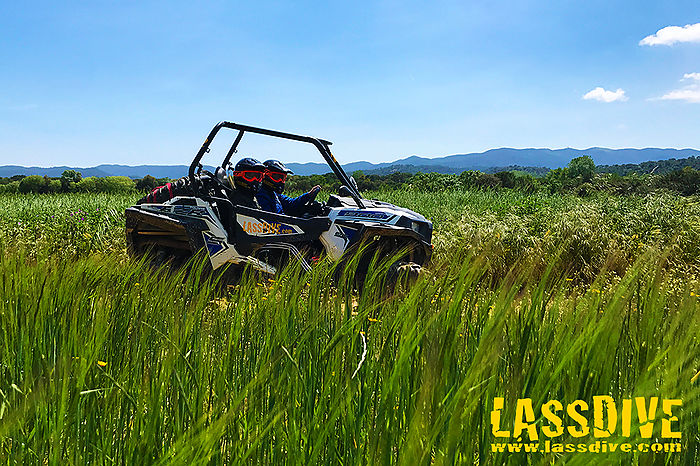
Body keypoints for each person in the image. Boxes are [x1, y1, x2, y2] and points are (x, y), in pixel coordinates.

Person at [256, 159, 321, 216]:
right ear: (265, 175)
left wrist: (308, 195)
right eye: (276, 177)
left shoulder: (274, 193)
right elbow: (270, 218)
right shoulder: (261, 195)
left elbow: (290, 203)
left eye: (282, 178)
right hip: (276, 228)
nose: (280, 181)